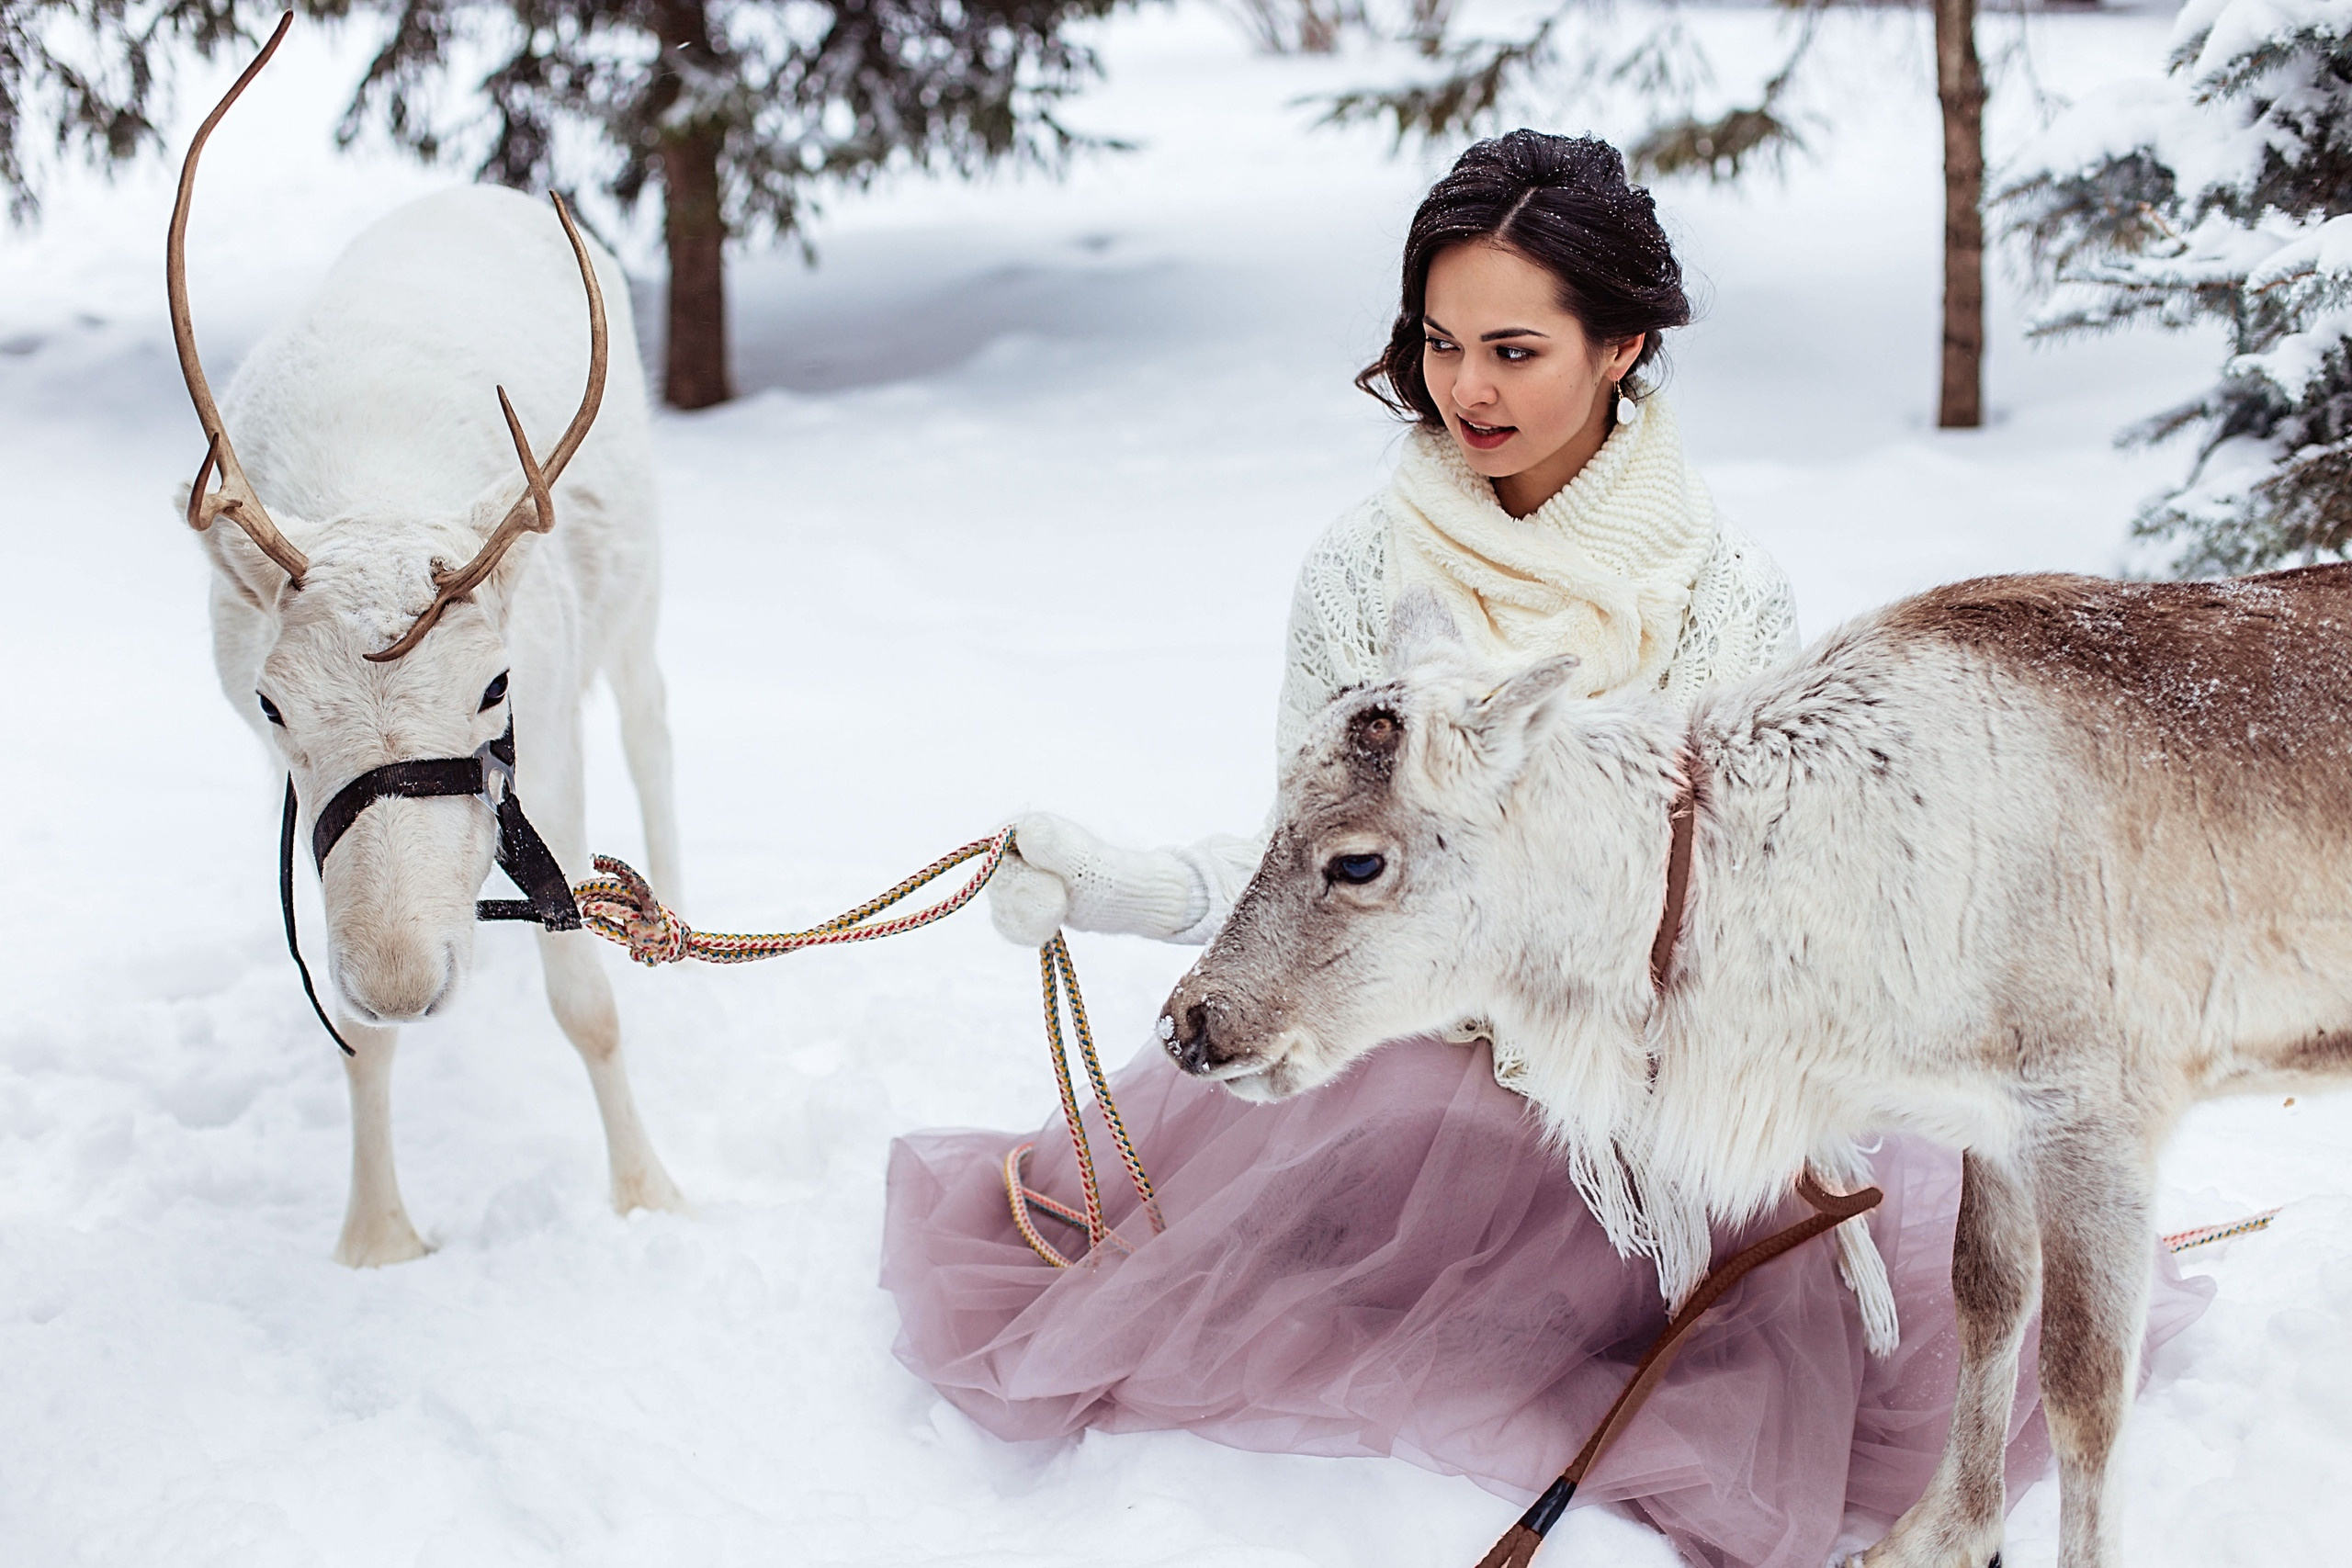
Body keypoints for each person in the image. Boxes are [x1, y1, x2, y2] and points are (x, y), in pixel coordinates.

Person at [880, 130, 2209, 1568]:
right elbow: (1318, 857)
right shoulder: (1363, 568)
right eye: (1442, 344)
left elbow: (1747, 915)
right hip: (1408, 1056)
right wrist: (1140, 887)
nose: (1467, 389)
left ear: (1622, 344)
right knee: (1384, 1146)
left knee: (1721, 1237)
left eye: (1515, 348)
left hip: (1642, 1078)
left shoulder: (1721, 596)